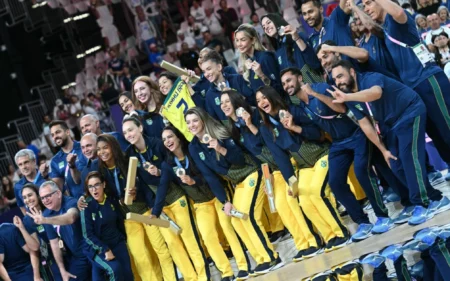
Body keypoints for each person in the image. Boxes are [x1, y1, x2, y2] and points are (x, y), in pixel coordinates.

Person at [220, 89, 346, 259]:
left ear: (237, 102)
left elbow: (267, 144)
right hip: (274, 169)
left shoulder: (258, 116)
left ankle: (315, 239)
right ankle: (303, 244)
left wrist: (250, 124)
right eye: (221, 103)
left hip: (293, 163)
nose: (224, 105)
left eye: (227, 101)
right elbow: (257, 154)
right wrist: (267, 178)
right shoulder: (237, 128)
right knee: (281, 205)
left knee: (297, 199)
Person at [329, 60, 450, 226]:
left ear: (352, 72)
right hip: (391, 124)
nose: (338, 81)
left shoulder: (370, 78)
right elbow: (365, 124)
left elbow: (375, 93)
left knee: (409, 157)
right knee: (396, 164)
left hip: (410, 111)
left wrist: (347, 97)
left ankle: (422, 203)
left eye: (340, 76)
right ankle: (435, 198)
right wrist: (383, 150)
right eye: (335, 79)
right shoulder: (349, 96)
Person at [185, 107, 285, 276]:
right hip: (238, 182)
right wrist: (225, 201)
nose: (192, 125)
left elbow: (239, 159)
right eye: (188, 122)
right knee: (237, 220)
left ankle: (272, 257)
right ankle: (260, 259)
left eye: (195, 120)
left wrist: (220, 149)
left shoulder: (220, 132)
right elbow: (210, 177)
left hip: (252, 172)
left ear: (203, 120)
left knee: (249, 216)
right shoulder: (194, 147)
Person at [354, 0, 450, 167]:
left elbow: (399, 13)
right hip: (415, 89)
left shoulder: (396, 20)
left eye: (369, 3)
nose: (367, 9)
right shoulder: (385, 28)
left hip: (428, 80)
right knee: (437, 136)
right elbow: (369, 24)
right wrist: (354, 7)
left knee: (447, 128)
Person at [92, 133, 193, 281]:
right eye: (99, 149)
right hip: (128, 217)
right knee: (140, 255)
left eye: (105, 148)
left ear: (113, 147)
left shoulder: (129, 161)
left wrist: (136, 193)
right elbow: (104, 195)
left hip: (145, 211)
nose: (102, 152)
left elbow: (145, 185)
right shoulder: (99, 170)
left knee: (161, 250)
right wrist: (120, 201)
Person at [123, 116, 209, 281]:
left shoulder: (157, 144)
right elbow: (140, 183)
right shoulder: (130, 156)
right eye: (125, 132)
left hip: (174, 196)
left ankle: (204, 276)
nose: (129, 134)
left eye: (131, 129)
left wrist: (161, 173)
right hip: (158, 206)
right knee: (173, 244)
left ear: (140, 128)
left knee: (188, 238)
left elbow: (173, 169)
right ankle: (191, 278)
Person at [160, 125, 238, 280]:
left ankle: (243, 265)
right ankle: (227, 272)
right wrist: (155, 211)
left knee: (228, 228)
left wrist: (193, 181)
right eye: (164, 139)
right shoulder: (169, 164)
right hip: (201, 204)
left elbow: (208, 175)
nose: (167, 141)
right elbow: (162, 186)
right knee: (207, 237)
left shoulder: (193, 150)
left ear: (178, 137)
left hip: (216, 196)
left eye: (169, 137)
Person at [27, 180, 92, 281]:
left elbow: (71, 217)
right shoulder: (47, 214)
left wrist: (45, 220)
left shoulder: (71, 202)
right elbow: (54, 244)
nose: (45, 200)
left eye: (48, 196)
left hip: (93, 251)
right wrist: (62, 270)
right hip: (78, 257)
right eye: (42, 198)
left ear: (58, 193)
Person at [81, 171, 134, 281]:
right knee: (115, 269)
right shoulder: (86, 206)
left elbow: (119, 221)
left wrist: (122, 239)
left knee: (128, 274)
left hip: (117, 242)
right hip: (98, 248)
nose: (94, 189)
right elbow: (87, 235)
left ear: (104, 184)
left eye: (97, 185)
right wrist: (105, 249)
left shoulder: (111, 200)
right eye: (90, 186)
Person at [260, 13, 324, 86]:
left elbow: (315, 64)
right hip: (298, 94)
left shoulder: (298, 36)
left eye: (268, 23)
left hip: (314, 85)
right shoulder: (278, 52)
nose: (266, 27)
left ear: (276, 21)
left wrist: (297, 39)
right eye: (264, 27)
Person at [21, 183, 63, 281]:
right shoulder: (27, 219)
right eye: (24, 197)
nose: (27, 200)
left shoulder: (51, 207)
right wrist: (36, 276)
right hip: (53, 258)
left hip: (69, 250)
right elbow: (34, 248)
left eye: (30, 195)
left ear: (38, 194)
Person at [201, 50, 255, 123]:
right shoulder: (209, 96)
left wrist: (235, 95)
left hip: (252, 122)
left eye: (209, 69)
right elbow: (216, 122)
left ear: (219, 67)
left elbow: (253, 101)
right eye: (204, 71)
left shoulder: (237, 79)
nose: (206, 74)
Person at [234, 24, 283, 94]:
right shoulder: (249, 62)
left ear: (253, 40)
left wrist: (261, 75)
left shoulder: (265, 57)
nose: (239, 44)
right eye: (237, 40)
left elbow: (280, 88)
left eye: (243, 40)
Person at [49, 120, 87, 199]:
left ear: (68, 132)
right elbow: (58, 188)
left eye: (58, 132)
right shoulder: (55, 161)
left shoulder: (83, 147)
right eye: (52, 135)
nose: (55, 136)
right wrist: (46, 177)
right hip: (77, 202)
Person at [14, 149, 49, 215]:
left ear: (34, 161)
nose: (24, 167)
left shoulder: (46, 176)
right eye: (20, 164)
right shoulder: (17, 186)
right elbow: (22, 207)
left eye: (26, 162)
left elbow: (62, 193)